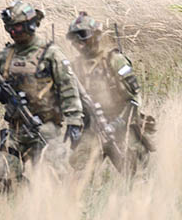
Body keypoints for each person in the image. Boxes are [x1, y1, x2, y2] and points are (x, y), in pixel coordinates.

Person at [0, 1, 83, 189]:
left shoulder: (51, 54)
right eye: (10, 28)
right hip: (16, 130)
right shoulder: (6, 55)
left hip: (45, 128)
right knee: (4, 178)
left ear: (31, 25)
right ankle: (25, 200)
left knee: (56, 182)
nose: (14, 32)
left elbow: (69, 88)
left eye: (18, 27)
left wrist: (75, 121)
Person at [64, 12, 155, 173]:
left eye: (83, 36)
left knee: (136, 171)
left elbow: (134, 99)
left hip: (121, 124)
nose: (79, 43)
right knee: (80, 169)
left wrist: (117, 125)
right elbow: (69, 100)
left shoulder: (115, 60)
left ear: (96, 36)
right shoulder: (74, 68)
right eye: (74, 39)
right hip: (92, 127)